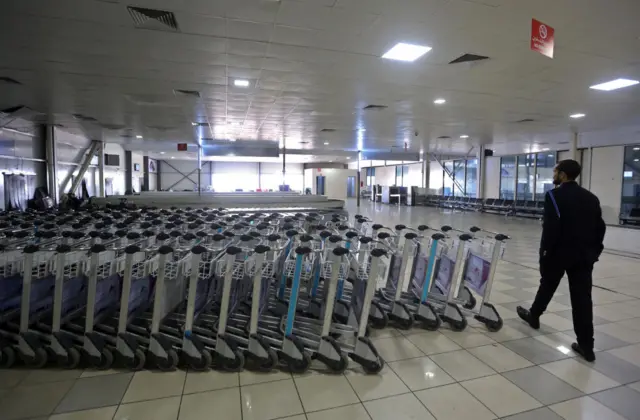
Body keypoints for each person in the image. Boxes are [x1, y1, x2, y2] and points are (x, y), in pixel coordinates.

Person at [517, 159, 605, 362]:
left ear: (563, 175)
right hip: (583, 256)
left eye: (555, 171)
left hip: (558, 253)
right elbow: (600, 228)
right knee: (582, 299)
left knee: (547, 284)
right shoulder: (591, 198)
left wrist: (544, 253)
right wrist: (594, 252)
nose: (553, 174)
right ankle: (586, 346)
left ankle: (534, 315)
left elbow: (551, 228)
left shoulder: (554, 196)